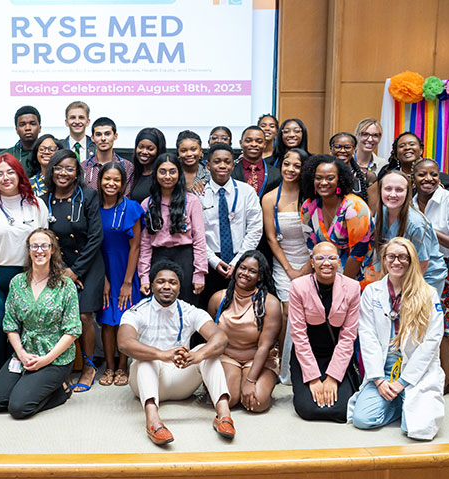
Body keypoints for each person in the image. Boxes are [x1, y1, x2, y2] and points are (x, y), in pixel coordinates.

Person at [118, 260, 234, 445]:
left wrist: (198, 355)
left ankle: (224, 416)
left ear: (179, 288)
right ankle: (153, 422)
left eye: (173, 282)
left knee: (207, 352)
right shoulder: (136, 311)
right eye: (161, 281)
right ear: (152, 285)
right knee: (146, 359)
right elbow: (124, 343)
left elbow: (221, 338)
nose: (167, 286)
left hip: (181, 378)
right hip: (147, 380)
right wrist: (162, 354)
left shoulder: (190, 311)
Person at [348, 237, 445, 441]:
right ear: (384, 260)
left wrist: (403, 382)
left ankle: (402, 400)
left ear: (411, 260)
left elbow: (432, 341)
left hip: (416, 371)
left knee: (417, 429)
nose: (396, 261)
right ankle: (398, 403)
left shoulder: (428, 294)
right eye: (391, 256)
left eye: (403, 257)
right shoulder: (372, 292)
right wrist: (379, 380)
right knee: (363, 419)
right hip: (384, 368)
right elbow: (367, 336)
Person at [0, 228, 79, 419]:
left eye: (45, 246)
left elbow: (72, 331)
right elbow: (10, 325)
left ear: (52, 250)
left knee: (19, 408)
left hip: (55, 357)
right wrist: (21, 353)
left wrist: (45, 360)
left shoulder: (65, 285)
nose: (39, 251)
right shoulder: (17, 282)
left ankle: (61, 390)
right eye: (34, 246)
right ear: (28, 250)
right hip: (25, 353)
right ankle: (29, 385)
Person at [0, 153, 48, 379]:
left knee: (27, 325)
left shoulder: (36, 204)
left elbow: (44, 241)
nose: (5, 178)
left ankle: (26, 372)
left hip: (28, 274)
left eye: (10, 172)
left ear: (20, 174)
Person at [41, 149, 104, 392]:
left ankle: (88, 368)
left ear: (77, 173)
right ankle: (64, 369)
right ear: (51, 170)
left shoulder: (87, 196)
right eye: (58, 168)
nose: (63, 173)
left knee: (84, 316)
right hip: (59, 265)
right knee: (61, 317)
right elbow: (45, 239)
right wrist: (63, 269)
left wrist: (76, 271)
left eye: (69, 168)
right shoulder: (44, 200)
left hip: (88, 264)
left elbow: (96, 236)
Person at [412, 158, 449, 393]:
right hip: (419, 267)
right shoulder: (410, 203)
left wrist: (429, 229)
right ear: (413, 179)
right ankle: (423, 374)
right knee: (421, 324)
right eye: (422, 175)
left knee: (444, 327)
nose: (428, 179)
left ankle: (445, 380)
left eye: (434, 175)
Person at [288, 241, 360, 422]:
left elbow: (348, 336)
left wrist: (333, 377)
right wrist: (313, 378)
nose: (326, 263)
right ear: (312, 262)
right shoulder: (298, 286)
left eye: (331, 258)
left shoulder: (352, 287)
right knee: (308, 409)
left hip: (337, 354)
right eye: (320, 258)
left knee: (342, 409)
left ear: (339, 262)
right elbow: (298, 335)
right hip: (306, 353)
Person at [260, 148, 311, 383]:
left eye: (297, 166)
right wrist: (290, 270)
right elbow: (271, 238)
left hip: (311, 261)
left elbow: (319, 237)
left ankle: (306, 363)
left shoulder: (311, 197)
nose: (290, 169)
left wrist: (307, 267)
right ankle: (285, 365)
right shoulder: (270, 198)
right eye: (287, 164)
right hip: (283, 263)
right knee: (287, 312)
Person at [209, 251, 281, 412]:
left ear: (260, 277)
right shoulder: (218, 298)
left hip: (258, 359)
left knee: (257, 403)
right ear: (236, 269)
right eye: (242, 268)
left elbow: (264, 346)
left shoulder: (270, 303)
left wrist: (250, 381)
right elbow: (210, 336)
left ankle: (253, 381)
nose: (245, 273)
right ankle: (234, 384)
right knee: (227, 399)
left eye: (252, 271)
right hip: (227, 357)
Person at [97, 162, 144, 387]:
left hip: (126, 268)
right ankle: (109, 366)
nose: (111, 183)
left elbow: (136, 247)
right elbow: (92, 246)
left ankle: (123, 366)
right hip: (102, 268)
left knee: (125, 319)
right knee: (107, 321)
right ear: (99, 181)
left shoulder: (132, 207)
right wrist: (103, 279)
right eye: (107, 179)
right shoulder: (93, 207)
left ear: (123, 184)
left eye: (116, 180)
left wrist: (127, 282)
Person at [199, 143, 263, 306]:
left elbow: (255, 229)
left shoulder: (247, 192)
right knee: (210, 308)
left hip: (241, 260)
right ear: (208, 166)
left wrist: (238, 261)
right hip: (209, 261)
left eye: (227, 162)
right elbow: (195, 234)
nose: (222, 165)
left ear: (233, 165)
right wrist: (213, 261)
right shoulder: (198, 194)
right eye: (217, 161)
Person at [139, 153, 207, 304]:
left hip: (185, 258)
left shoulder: (192, 201)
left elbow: (199, 239)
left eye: (172, 171)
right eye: (162, 172)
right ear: (155, 174)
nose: (167, 176)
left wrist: (199, 273)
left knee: (187, 306)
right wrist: (144, 277)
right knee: (159, 307)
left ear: (179, 174)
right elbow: (145, 244)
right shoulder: (147, 204)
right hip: (158, 258)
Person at [300, 154, 374, 283]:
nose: (323, 183)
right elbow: (314, 251)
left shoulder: (355, 208)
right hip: (327, 273)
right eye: (318, 178)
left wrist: (341, 287)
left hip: (361, 274)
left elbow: (357, 255)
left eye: (330, 178)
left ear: (339, 180)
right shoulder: (308, 207)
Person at [375, 169, 446, 293]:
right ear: (380, 190)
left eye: (399, 190)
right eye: (388, 189)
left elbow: (422, 263)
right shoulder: (382, 213)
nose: (393, 194)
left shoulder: (416, 224)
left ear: (407, 193)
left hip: (424, 276)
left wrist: (402, 290)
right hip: (399, 273)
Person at [82, 117, 135, 196]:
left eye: (107, 134)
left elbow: (126, 198)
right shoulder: (83, 167)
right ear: (92, 138)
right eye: (98, 134)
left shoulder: (127, 167)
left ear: (115, 136)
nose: (103, 138)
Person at [232, 126, 280, 197]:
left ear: (265, 144)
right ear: (241, 143)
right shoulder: (231, 171)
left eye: (259, 141)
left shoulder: (276, 174)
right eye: (248, 141)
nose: (254, 144)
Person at [329, 132, 371, 202]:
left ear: (354, 149)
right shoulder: (322, 174)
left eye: (347, 147)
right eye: (337, 147)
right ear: (331, 149)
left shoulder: (367, 176)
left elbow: (372, 208)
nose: (342, 151)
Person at [0, 106, 41, 177]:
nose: (27, 128)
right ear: (16, 130)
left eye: (32, 124)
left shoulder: (48, 154)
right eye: (22, 124)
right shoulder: (4, 156)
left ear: (39, 128)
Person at [129, 127, 166, 203]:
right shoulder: (132, 173)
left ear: (159, 150)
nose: (144, 152)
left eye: (150, 149)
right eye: (141, 147)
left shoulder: (164, 176)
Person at [177, 130, 208, 196]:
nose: (189, 154)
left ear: (201, 151)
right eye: (183, 150)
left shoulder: (209, 174)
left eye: (193, 149)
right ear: (178, 153)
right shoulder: (172, 173)